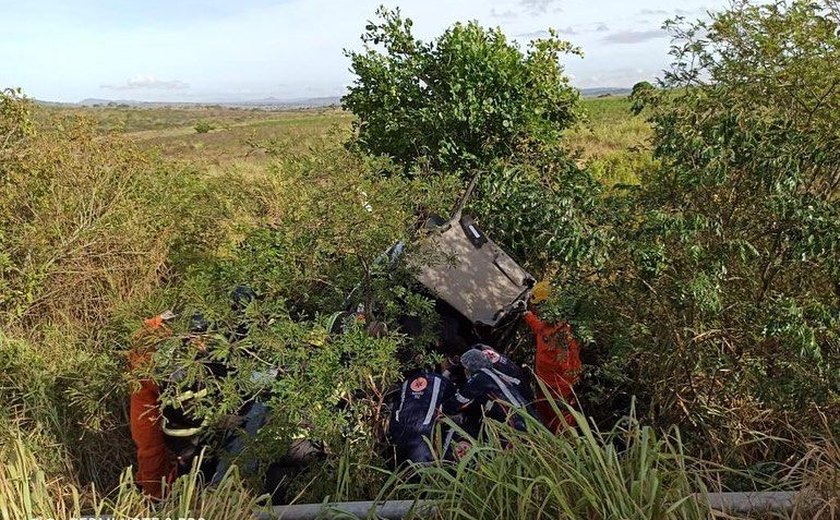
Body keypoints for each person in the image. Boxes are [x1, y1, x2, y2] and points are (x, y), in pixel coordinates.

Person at [128, 310, 178, 499]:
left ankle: (154, 496)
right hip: (156, 374)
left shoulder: (149, 334)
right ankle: (155, 495)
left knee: (149, 445)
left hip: (148, 369)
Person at [523, 281, 582, 432]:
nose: (536, 309)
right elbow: (539, 329)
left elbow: (569, 368)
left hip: (558, 389)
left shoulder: (563, 335)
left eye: (538, 306)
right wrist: (527, 316)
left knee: (561, 421)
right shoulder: (547, 324)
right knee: (542, 412)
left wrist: (563, 392)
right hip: (543, 384)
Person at [442, 349, 535, 434]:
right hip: (528, 416)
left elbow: (460, 399)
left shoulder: (480, 378)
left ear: (470, 366)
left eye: (465, 367)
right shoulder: (495, 373)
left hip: (515, 421)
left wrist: (442, 409)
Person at [387, 371, 455, 465]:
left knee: (397, 463)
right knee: (419, 468)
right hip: (422, 432)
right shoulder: (444, 384)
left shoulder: (408, 381)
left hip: (398, 428)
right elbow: (453, 405)